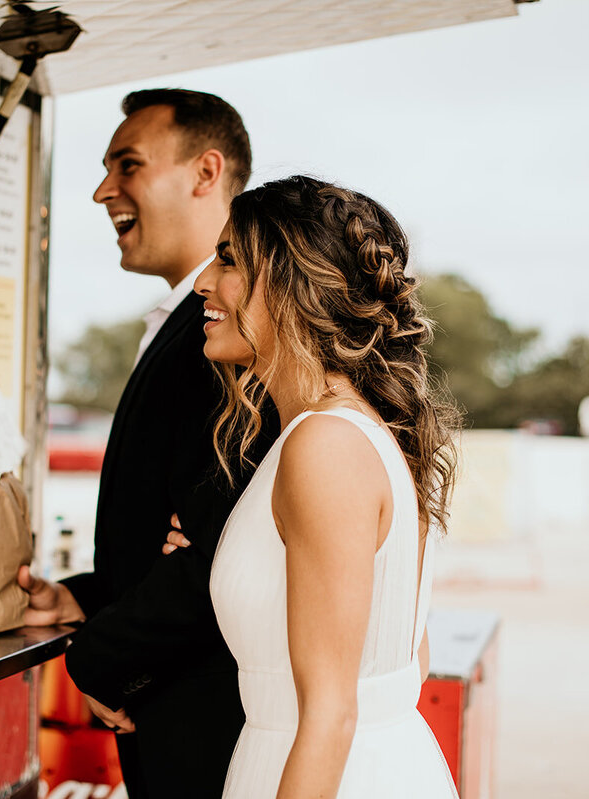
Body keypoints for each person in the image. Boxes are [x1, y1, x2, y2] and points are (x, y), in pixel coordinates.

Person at [16, 89, 276, 799]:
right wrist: (83, 597)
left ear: (206, 172)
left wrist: (99, 658)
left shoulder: (231, 340)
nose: (104, 190)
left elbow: (213, 553)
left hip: (204, 720)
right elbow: (175, 522)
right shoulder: (183, 323)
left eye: (127, 165)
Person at [187, 174, 461, 798]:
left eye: (228, 258)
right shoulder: (353, 431)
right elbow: (405, 662)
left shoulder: (326, 447)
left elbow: (332, 713)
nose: (204, 281)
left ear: (291, 285)